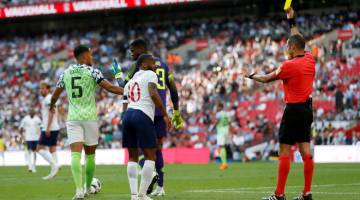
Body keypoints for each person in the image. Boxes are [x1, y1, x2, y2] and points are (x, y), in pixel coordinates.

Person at [243, 7, 315, 200]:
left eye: (287, 47)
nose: (286, 50)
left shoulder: (288, 66)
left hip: (293, 110)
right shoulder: (309, 58)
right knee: (305, 150)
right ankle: (307, 193)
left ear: (292, 48)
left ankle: (279, 195)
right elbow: (299, 39)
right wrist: (292, 21)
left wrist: (251, 75)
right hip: (308, 109)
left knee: (284, 150)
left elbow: (267, 79)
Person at [50, 44, 124, 200]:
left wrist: (51, 106)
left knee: (75, 155)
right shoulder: (93, 72)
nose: (91, 57)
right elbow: (110, 88)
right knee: (90, 156)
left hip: (74, 118)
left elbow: (55, 95)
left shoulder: (66, 73)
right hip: (89, 118)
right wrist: (130, 90)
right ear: (84, 56)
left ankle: (78, 190)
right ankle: (87, 188)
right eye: (90, 55)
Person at [111, 38, 183, 196]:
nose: (131, 53)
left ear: (140, 49)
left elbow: (123, 87)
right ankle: (160, 186)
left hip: (143, 111)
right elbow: (173, 88)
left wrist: (116, 72)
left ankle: (147, 179)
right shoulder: (163, 64)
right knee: (157, 149)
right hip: (157, 110)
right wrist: (175, 111)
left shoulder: (137, 67)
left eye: (132, 50)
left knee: (140, 150)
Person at [122, 53, 171, 200]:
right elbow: (153, 93)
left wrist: (125, 118)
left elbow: (125, 99)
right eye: (152, 63)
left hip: (128, 115)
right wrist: (165, 114)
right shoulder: (150, 75)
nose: (155, 65)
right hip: (142, 116)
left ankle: (133, 195)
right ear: (143, 64)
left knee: (132, 157)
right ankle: (142, 195)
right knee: (151, 156)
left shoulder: (131, 80)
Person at [37, 82, 61, 180]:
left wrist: (47, 128)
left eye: (42, 89)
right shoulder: (50, 98)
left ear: (48, 89)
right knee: (52, 149)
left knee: (39, 148)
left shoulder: (49, 99)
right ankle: (55, 170)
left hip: (49, 128)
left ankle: (54, 165)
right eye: (40, 89)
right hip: (54, 127)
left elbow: (52, 112)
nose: (41, 90)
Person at [215, 102, 230, 170]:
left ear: (220, 107)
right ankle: (224, 162)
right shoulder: (226, 114)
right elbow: (229, 122)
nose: (216, 108)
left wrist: (213, 126)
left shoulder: (218, 114)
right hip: (227, 131)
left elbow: (217, 121)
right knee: (222, 147)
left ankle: (224, 163)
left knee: (221, 147)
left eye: (217, 107)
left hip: (221, 131)